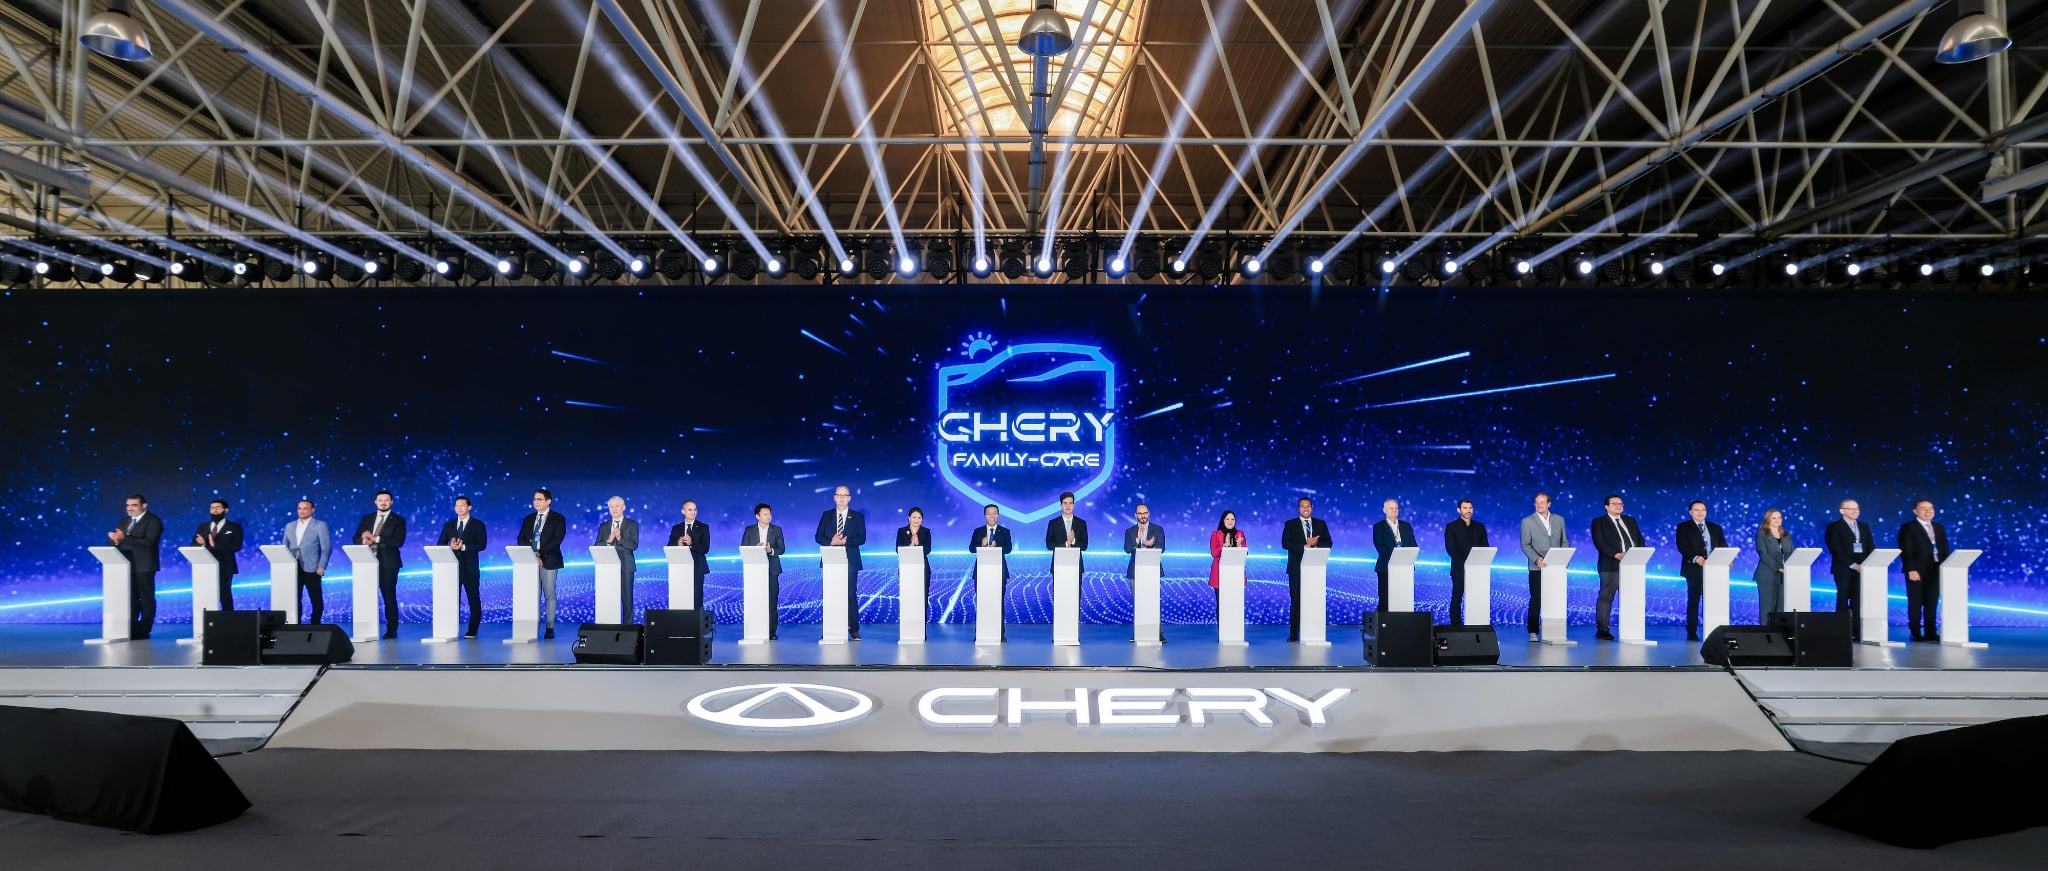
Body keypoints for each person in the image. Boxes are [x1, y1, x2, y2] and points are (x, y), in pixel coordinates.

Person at [813, 486, 867, 640]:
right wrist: (832, 541)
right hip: (830, 560)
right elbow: (818, 537)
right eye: (839, 495)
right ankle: (830, 629)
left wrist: (845, 542)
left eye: (845, 495)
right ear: (834, 497)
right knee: (830, 595)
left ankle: (853, 629)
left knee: (850, 595)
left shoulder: (857, 517)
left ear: (849, 498)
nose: (842, 498)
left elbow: (862, 538)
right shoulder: (826, 515)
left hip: (850, 560)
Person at [1589, 494, 1644, 641]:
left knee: (1632, 598)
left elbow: (1639, 540)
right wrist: (1616, 554)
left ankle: (1632, 628)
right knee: (1606, 597)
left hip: (1632, 566)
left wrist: (1639, 554)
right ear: (1606, 507)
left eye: (1620, 504)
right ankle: (1602, 629)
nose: (1618, 506)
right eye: (1614, 504)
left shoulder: (1630, 521)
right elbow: (1599, 542)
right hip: (1610, 565)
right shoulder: (1599, 522)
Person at [107, 493, 163, 639]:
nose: (129, 508)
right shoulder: (125, 521)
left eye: (134, 505)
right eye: (128, 505)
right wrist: (115, 540)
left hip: (144, 566)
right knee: (130, 598)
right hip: (126, 566)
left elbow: (149, 542)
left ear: (144, 506)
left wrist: (124, 538)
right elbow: (115, 540)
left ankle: (144, 628)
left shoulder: (153, 521)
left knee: (146, 598)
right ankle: (130, 627)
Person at [354, 491, 408, 639]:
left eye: (386, 500)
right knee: (365, 595)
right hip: (367, 562)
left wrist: (376, 538)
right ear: (375, 502)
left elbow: (398, 542)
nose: (383, 503)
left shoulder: (398, 520)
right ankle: (366, 628)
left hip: (388, 563)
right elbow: (356, 538)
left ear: (391, 502)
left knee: (388, 595)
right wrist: (364, 540)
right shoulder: (367, 518)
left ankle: (391, 629)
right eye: (380, 500)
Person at [1897, 500, 1951, 642]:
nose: (1928, 511)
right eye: (1923, 508)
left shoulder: (1939, 527)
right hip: (1917, 570)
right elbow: (1906, 550)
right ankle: (1915, 632)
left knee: (1931, 602)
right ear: (1915, 511)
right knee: (1915, 602)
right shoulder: (1908, 527)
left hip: (1936, 569)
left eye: (1930, 508)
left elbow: (1944, 549)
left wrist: (1947, 567)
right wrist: (1911, 569)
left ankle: (1930, 632)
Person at [1674, 501, 1728, 641]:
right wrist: (1695, 557)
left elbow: (1723, 545)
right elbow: (1682, 546)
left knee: (1714, 600)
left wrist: (1727, 559)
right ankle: (1692, 630)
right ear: (1690, 512)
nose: (1700, 513)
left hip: (1714, 570)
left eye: (1703, 510)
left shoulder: (1715, 528)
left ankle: (1714, 629)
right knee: (1694, 600)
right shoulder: (1683, 527)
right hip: (1694, 569)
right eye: (1696, 510)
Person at [1280, 497, 1332, 643]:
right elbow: (1285, 543)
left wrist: (1316, 543)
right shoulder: (1290, 524)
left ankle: (1314, 631)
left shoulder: (1320, 524)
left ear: (1312, 508)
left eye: (1308, 506)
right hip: (1296, 569)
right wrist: (1304, 546)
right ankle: (1294, 633)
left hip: (1315, 570)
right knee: (1296, 601)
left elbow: (1329, 542)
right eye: (1302, 506)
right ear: (1298, 509)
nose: (1305, 509)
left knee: (1315, 600)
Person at [1824, 499, 1877, 640]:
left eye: (1857, 508)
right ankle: (1841, 631)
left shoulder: (1864, 526)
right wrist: (1853, 565)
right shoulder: (1834, 527)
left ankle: (1856, 632)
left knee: (1858, 600)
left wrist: (1868, 564)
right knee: (1843, 599)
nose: (1855, 511)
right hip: (1843, 569)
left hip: (1862, 569)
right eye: (1851, 508)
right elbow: (1836, 549)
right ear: (1842, 511)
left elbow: (1871, 546)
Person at [518, 489, 567, 639]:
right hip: (530, 562)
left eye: (539, 499)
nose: (536, 502)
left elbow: (556, 540)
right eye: (534, 499)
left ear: (548, 501)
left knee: (549, 595)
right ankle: (533, 627)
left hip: (549, 561)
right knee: (533, 596)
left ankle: (549, 628)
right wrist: (532, 556)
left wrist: (539, 555)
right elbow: (521, 538)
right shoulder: (528, 518)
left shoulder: (558, 518)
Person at [436, 497, 487, 638]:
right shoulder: (449, 525)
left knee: (473, 599)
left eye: (462, 505)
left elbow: (482, 545)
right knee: (452, 600)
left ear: (469, 507)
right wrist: (450, 547)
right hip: (452, 569)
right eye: (457, 505)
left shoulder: (478, 524)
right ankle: (450, 628)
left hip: (470, 568)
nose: (459, 508)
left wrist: (463, 547)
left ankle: (472, 630)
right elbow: (440, 543)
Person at [1518, 493, 1566, 640]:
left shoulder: (1559, 519)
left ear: (1549, 504)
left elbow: (1564, 541)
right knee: (1536, 599)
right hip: (1537, 567)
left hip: (1556, 568)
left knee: (1555, 598)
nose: (1539, 505)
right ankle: (1533, 631)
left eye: (1542, 502)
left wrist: (1565, 559)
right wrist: (1536, 559)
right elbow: (1525, 545)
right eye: (1537, 502)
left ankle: (1555, 630)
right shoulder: (1527, 521)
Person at [739, 503, 785, 640]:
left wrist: (770, 550)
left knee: (772, 601)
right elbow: (744, 548)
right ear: (757, 516)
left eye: (769, 514)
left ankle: (771, 632)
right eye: (765, 514)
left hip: (772, 570)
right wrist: (756, 549)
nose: (768, 516)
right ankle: (754, 630)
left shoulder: (777, 530)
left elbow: (782, 549)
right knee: (755, 600)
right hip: (754, 570)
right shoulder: (749, 530)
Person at [968, 504, 1013, 641]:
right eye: (989, 513)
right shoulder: (978, 531)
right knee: (982, 603)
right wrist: (981, 545)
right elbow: (971, 548)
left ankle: (1000, 633)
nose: (992, 516)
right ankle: (980, 632)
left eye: (994, 513)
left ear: (998, 515)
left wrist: (996, 546)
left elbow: (1008, 549)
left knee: (998, 603)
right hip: (981, 572)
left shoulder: (1004, 531)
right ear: (985, 516)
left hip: (999, 572)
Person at [1122, 503, 1167, 642]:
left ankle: (1157, 633)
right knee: (1139, 603)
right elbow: (1127, 549)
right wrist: (1138, 540)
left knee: (1153, 603)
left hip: (1152, 571)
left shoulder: (1158, 529)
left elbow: (1162, 548)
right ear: (1135, 515)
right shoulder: (1130, 531)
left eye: (1145, 513)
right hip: (1135, 572)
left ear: (1149, 513)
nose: (1143, 516)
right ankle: (1139, 632)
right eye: (1140, 513)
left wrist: (1151, 544)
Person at [283, 499, 331, 623]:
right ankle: (296, 623)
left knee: (316, 598)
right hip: (293, 567)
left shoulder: (320, 525)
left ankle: (315, 624)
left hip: (313, 567)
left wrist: (322, 566)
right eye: (299, 508)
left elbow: (326, 548)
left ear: (312, 510)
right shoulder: (290, 526)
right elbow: (284, 547)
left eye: (305, 508)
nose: (302, 511)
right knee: (295, 598)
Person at [193, 499, 244, 612]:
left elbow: (236, 546)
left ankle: (228, 618)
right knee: (206, 593)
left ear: (226, 510)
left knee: (224, 593)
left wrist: (215, 545)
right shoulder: (202, 526)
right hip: (205, 567)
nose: (214, 510)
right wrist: (202, 544)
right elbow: (193, 544)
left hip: (225, 566)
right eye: (212, 508)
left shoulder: (234, 527)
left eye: (217, 508)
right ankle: (207, 618)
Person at [1444, 499, 1488, 625]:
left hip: (1477, 570)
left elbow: (1485, 547)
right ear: (1459, 510)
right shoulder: (1451, 526)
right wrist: (1465, 564)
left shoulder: (1479, 526)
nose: (1468, 510)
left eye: (1470, 508)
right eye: (1465, 508)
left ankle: (1476, 624)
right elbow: (1451, 549)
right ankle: (1456, 626)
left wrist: (1478, 563)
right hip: (1459, 569)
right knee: (1457, 598)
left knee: (1477, 598)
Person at [597, 496, 640, 623]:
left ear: (623, 507)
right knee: (609, 597)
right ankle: (610, 624)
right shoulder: (604, 526)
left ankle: (628, 626)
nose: (614, 509)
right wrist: (609, 540)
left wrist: (620, 538)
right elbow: (597, 545)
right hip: (608, 566)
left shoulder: (632, 524)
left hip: (626, 566)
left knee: (627, 598)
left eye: (617, 506)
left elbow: (634, 545)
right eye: (611, 506)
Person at [1372, 499, 1416, 612]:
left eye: (1396, 508)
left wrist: (1405, 559)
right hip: (1385, 567)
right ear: (1385, 510)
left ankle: (1404, 621)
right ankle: (1382, 621)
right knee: (1385, 598)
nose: (1394, 510)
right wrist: (1395, 559)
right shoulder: (1379, 526)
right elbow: (1379, 546)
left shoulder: (1406, 526)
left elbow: (1413, 545)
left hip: (1405, 567)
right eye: (1391, 508)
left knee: (1404, 598)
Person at [667, 500, 711, 613]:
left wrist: (692, 543)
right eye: (690, 509)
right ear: (683, 511)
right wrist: (679, 545)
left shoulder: (703, 527)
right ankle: (681, 620)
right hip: (680, 567)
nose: (693, 512)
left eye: (695, 509)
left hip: (698, 567)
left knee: (696, 597)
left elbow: (705, 549)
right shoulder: (676, 528)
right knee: (681, 595)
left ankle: (698, 620)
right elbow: (669, 547)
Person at [1754, 509, 1794, 622]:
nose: (1777, 520)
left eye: (1779, 518)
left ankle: (1779, 631)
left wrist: (1792, 567)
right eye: (1774, 518)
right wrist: (1778, 567)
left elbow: (1791, 552)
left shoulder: (1786, 534)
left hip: (1784, 576)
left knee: (1781, 608)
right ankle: (1765, 630)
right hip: (1767, 575)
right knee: (1767, 608)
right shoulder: (1762, 534)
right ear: (1768, 520)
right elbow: (1763, 554)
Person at [896, 507, 933, 608]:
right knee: (907, 598)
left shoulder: (926, 531)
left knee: (922, 598)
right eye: (914, 517)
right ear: (909, 518)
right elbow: (898, 550)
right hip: (906, 567)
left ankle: (922, 619)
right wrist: (911, 545)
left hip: (923, 568)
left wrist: (918, 543)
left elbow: (928, 550)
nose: (917, 520)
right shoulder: (901, 531)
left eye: (919, 518)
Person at [1209, 510, 1247, 606]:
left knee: (1235, 605)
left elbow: (1244, 554)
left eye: (1232, 519)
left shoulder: (1240, 534)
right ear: (1223, 520)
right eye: (1227, 519)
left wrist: (1239, 545)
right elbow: (1214, 553)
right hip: (1219, 574)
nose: (1230, 521)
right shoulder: (1215, 534)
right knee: (1222, 605)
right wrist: (1225, 545)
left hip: (1236, 574)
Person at [1045, 491, 1089, 573]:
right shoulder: (1053, 523)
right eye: (1065, 503)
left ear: (1074, 505)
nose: (1068, 506)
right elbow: (1049, 545)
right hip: (1058, 566)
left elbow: (1084, 546)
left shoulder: (1081, 523)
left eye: (1070, 503)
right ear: (1061, 505)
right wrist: (1065, 543)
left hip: (1076, 567)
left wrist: (1073, 541)